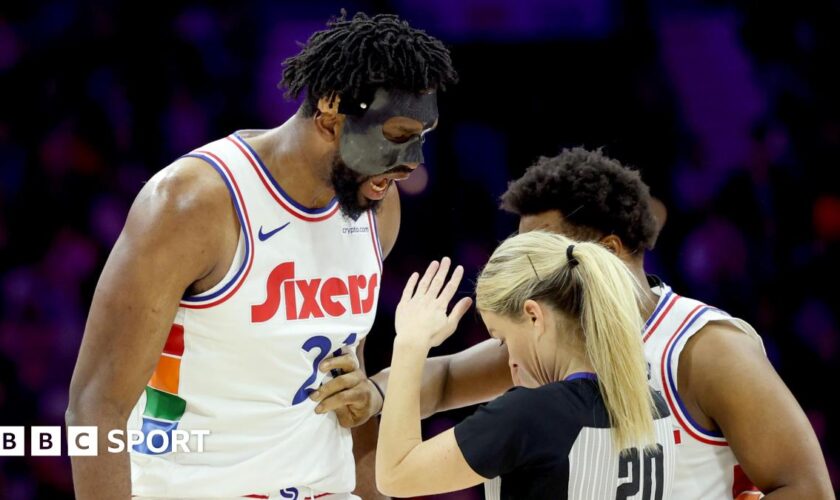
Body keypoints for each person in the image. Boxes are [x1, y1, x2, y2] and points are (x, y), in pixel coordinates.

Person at [65, 12, 457, 500]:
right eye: (397, 138)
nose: (413, 162)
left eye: (423, 138)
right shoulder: (193, 203)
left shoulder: (375, 204)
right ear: (331, 112)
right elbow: (95, 406)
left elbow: (346, 384)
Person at [361, 148, 834, 499]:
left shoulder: (704, 349)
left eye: (543, 251)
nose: (528, 267)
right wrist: (374, 393)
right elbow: (443, 379)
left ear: (606, 251)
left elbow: (807, 488)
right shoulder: (548, 341)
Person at [374, 239, 677, 499]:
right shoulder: (655, 406)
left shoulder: (533, 414)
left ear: (533, 315)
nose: (510, 361)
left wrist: (410, 344)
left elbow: (396, 473)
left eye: (502, 339)